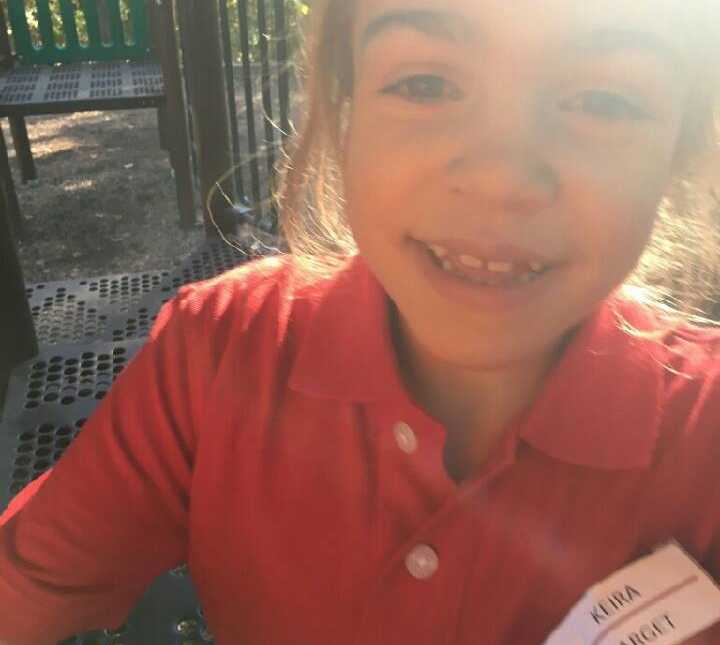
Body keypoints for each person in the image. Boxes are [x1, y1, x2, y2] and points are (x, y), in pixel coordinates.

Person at [1, 0, 719, 643]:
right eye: (425, 84)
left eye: (606, 99)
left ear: (678, 151)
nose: (501, 176)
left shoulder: (704, 429)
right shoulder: (219, 352)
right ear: (345, 116)